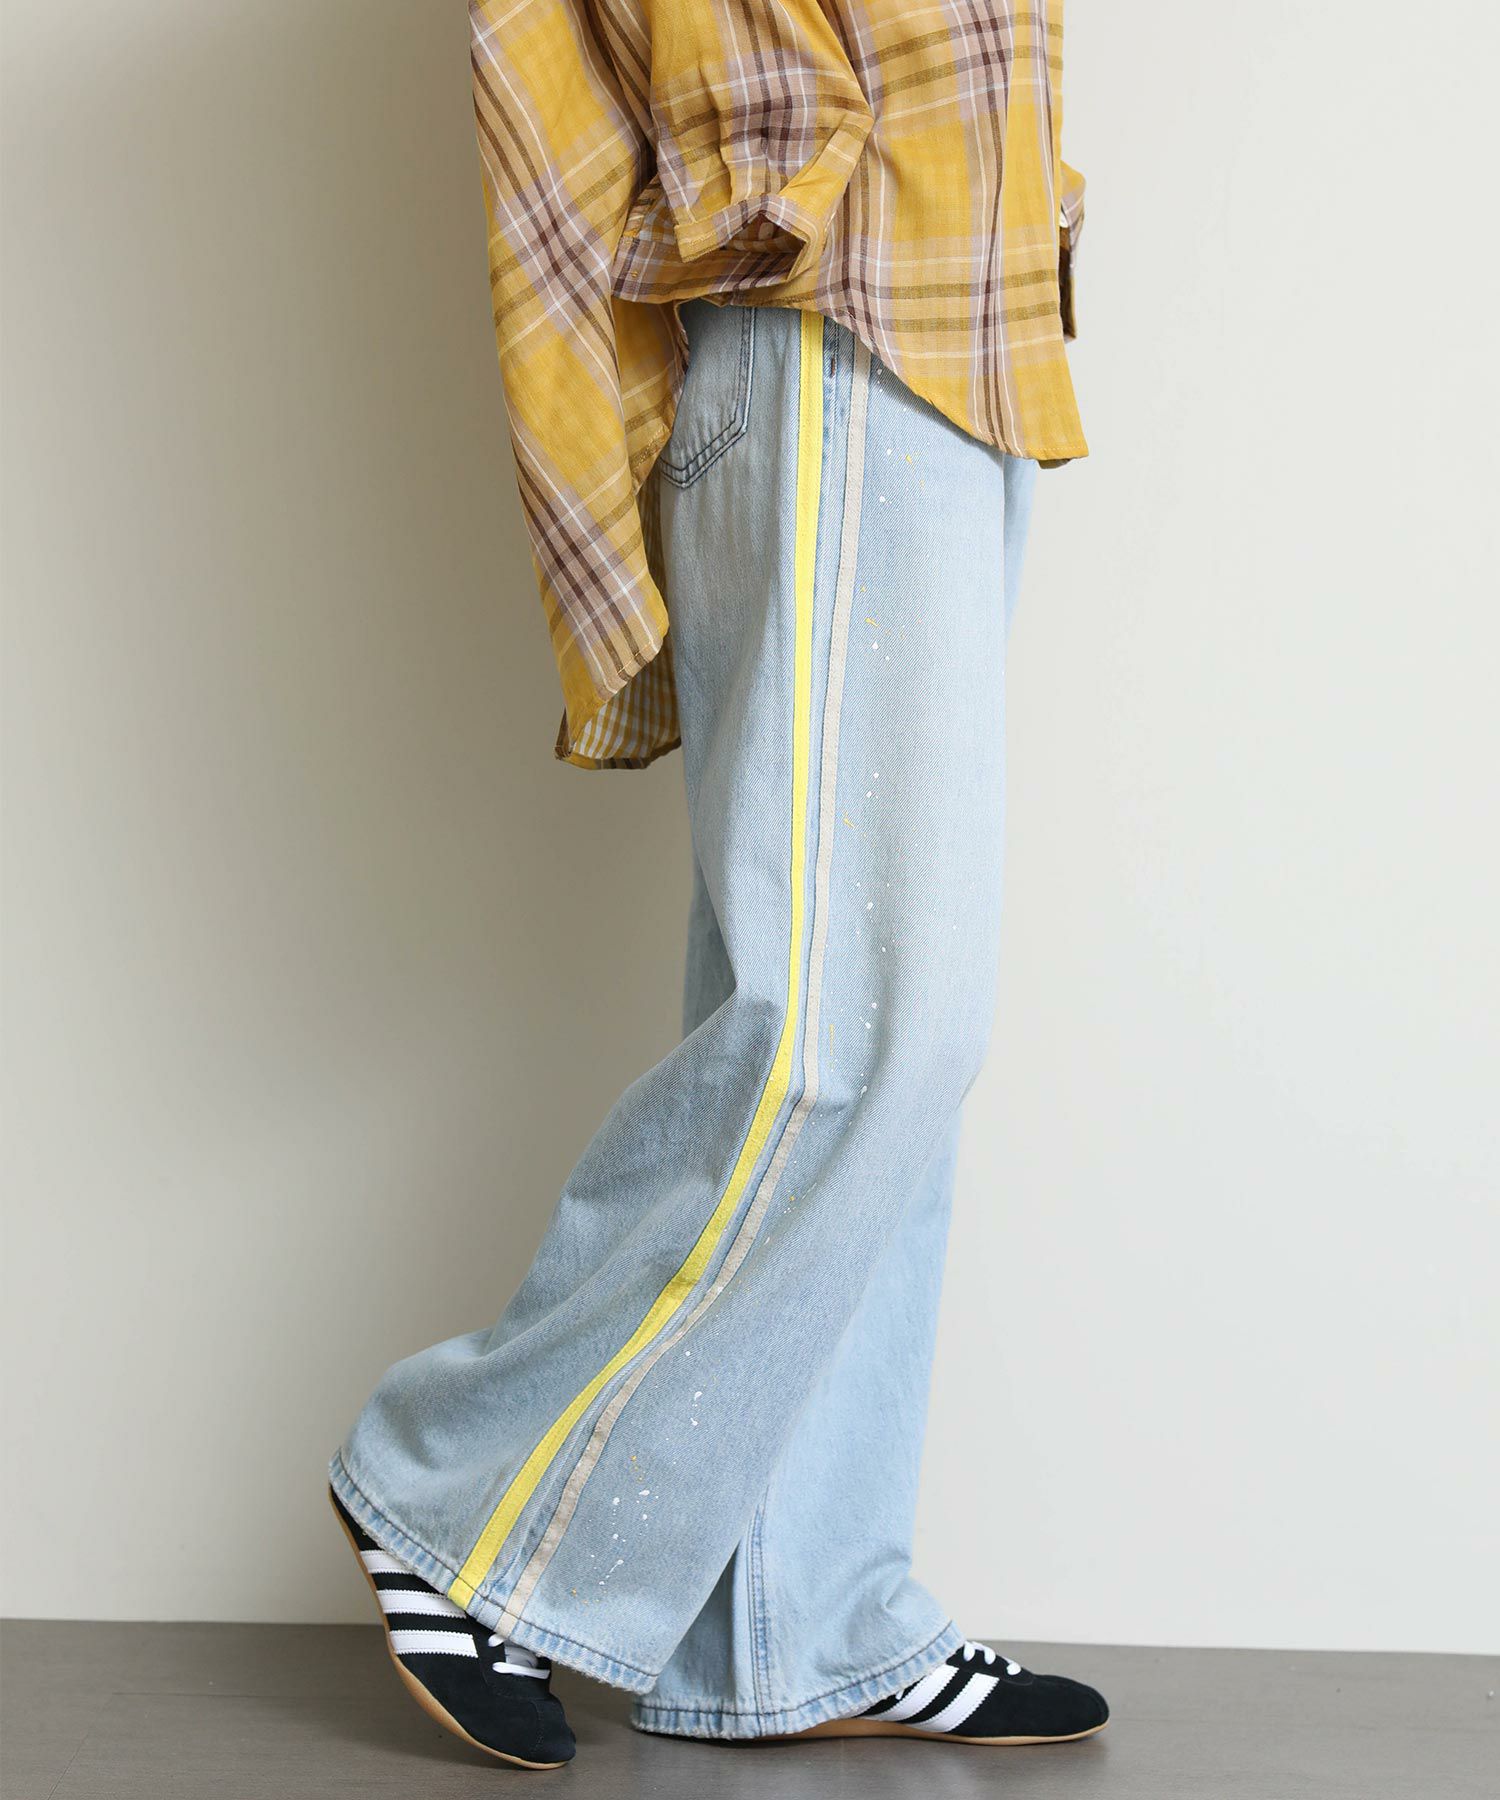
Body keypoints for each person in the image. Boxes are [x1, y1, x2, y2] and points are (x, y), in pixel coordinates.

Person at [328, 0, 1108, 1769]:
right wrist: (797, 161)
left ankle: (798, 1616)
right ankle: (447, 1492)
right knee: (854, 1033)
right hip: (839, 320)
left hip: (961, 334)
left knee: (887, 1044)